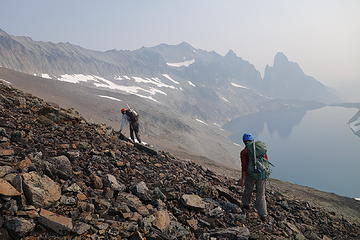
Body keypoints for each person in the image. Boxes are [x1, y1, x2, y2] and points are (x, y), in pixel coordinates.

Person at [239, 133, 268, 221]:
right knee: (261, 194)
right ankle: (263, 214)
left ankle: (245, 205)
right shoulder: (260, 149)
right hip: (262, 175)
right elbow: (266, 161)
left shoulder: (244, 152)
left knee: (248, 189)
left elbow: (244, 166)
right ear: (252, 140)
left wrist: (243, 179)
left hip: (250, 174)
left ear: (244, 142)